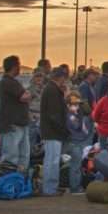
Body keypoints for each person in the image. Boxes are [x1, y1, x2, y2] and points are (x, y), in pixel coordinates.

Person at [0, 55, 32, 172]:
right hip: (12, 126)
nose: (20, 68)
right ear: (14, 67)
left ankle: (20, 183)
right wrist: (28, 93)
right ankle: (8, 184)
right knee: (11, 158)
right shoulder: (7, 82)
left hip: (20, 124)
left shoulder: (12, 82)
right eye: (19, 65)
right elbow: (24, 97)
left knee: (23, 157)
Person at [39, 67, 69, 197]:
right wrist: (63, 130)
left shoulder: (51, 89)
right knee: (52, 160)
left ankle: (51, 187)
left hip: (50, 131)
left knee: (52, 159)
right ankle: (50, 188)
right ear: (60, 78)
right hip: (52, 132)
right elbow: (54, 115)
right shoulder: (52, 91)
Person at [65, 93, 94, 194]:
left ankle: (78, 185)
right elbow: (76, 126)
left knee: (80, 166)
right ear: (68, 105)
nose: (77, 106)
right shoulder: (69, 115)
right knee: (75, 166)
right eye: (74, 104)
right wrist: (81, 114)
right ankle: (75, 188)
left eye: (78, 103)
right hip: (74, 143)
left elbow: (88, 129)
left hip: (82, 142)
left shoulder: (81, 115)